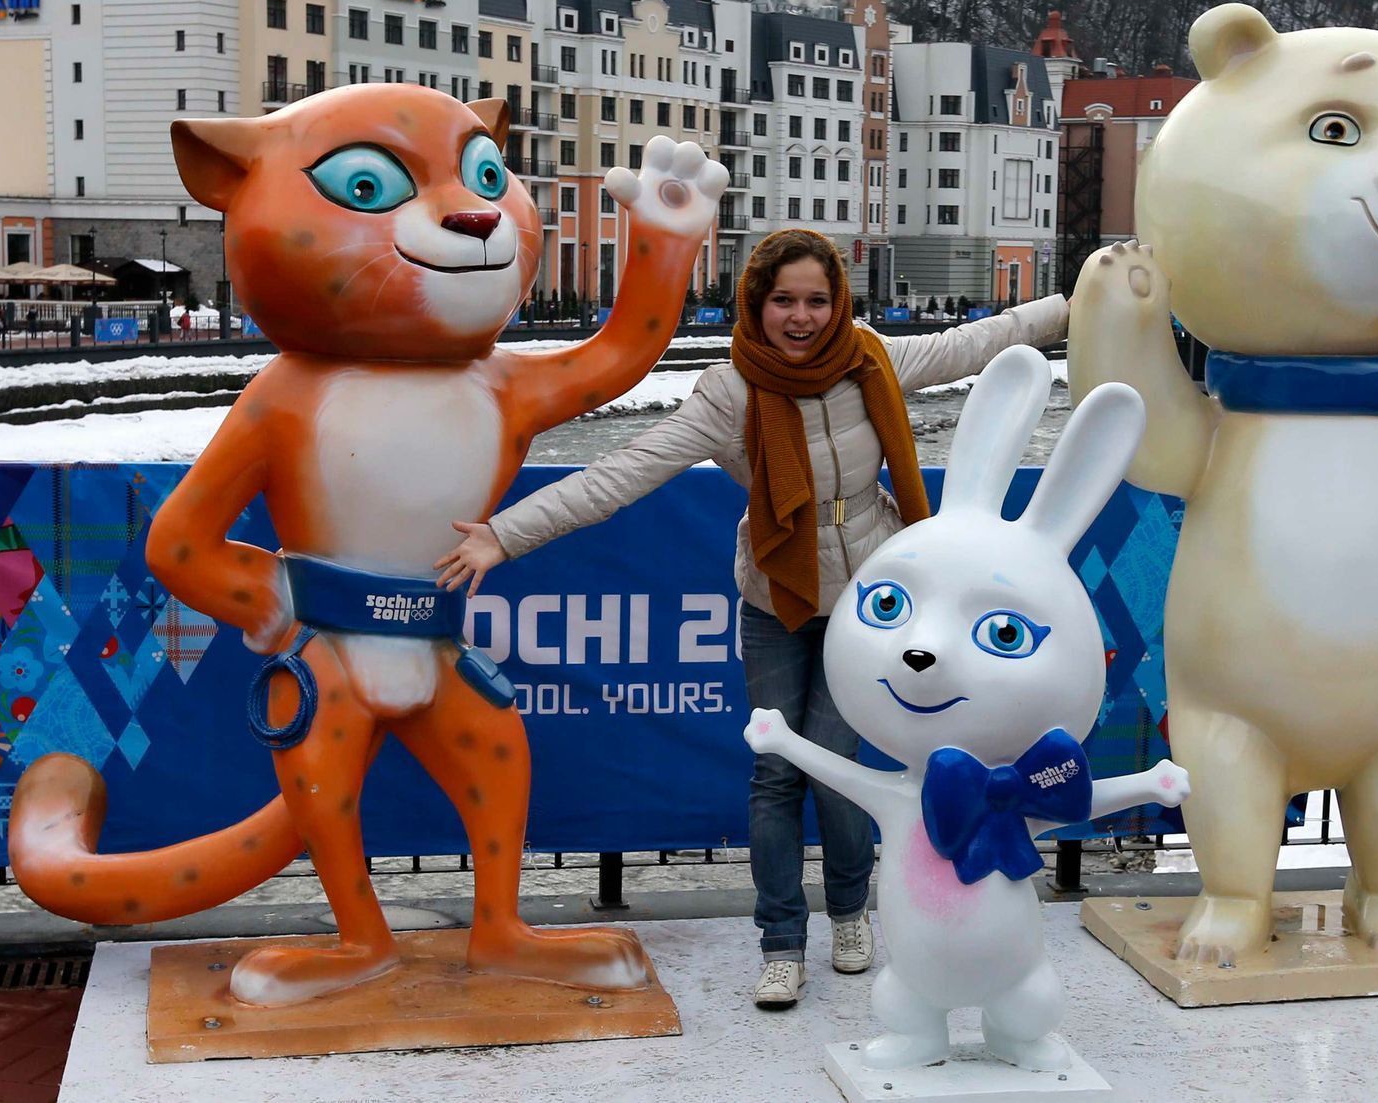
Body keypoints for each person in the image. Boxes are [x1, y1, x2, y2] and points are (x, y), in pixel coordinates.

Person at [435, 229, 1068, 1008]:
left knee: (836, 769)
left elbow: (978, 342)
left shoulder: (871, 359)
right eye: (783, 301)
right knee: (776, 769)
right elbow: (620, 475)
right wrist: (505, 533)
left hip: (870, 614)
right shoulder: (727, 392)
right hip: (774, 598)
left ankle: (846, 909)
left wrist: (1070, 304)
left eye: (815, 299)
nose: (800, 318)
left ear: (837, 302)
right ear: (756, 303)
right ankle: (779, 940)